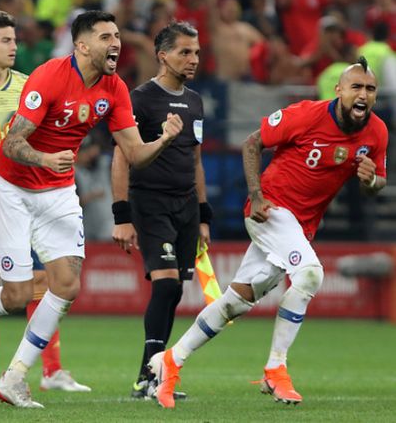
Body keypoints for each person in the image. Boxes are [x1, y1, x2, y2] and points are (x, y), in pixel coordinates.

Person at [0, 10, 183, 408]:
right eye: (105, 37)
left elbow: (134, 153)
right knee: (14, 296)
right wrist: (47, 159)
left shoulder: (115, 89)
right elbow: (13, 143)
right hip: (13, 186)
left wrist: (165, 140)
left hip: (59, 192)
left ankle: (15, 377)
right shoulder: (50, 75)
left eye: (117, 35)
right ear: (82, 46)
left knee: (66, 286)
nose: (115, 43)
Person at [151, 57, 388, 409]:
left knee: (236, 301)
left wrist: (370, 180)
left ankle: (170, 360)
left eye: (369, 89)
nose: (363, 95)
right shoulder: (307, 115)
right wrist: (256, 194)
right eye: (356, 87)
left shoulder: (377, 132)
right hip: (270, 210)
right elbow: (251, 144)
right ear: (339, 90)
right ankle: (276, 367)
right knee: (309, 275)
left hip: (301, 227)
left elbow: (377, 184)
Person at [0, 10, 90, 393]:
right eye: (6, 40)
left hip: (27, 192)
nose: (15, 46)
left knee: (44, 281)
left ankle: (52, 371)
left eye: (16, 40)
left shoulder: (29, 85)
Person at [110, 21, 211, 400]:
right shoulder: (139, 99)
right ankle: (153, 373)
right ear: (162, 55)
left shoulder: (195, 101)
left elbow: (196, 160)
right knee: (166, 283)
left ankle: (149, 375)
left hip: (185, 205)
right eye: (185, 52)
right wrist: (122, 216)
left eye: (197, 52)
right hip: (149, 202)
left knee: (174, 291)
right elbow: (121, 158)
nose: (193, 59)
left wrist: (203, 215)